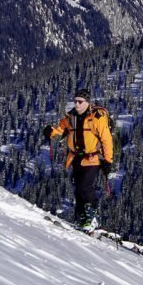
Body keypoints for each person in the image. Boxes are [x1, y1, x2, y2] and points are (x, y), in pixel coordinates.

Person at [43, 89, 114, 230]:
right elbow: (60, 130)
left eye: (80, 102)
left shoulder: (97, 118)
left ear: (87, 103)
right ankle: (82, 218)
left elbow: (107, 139)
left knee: (85, 186)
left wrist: (108, 160)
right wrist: (51, 131)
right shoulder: (70, 118)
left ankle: (92, 218)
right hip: (76, 158)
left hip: (93, 158)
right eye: (75, 101)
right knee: (78, 189)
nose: (77, 104)